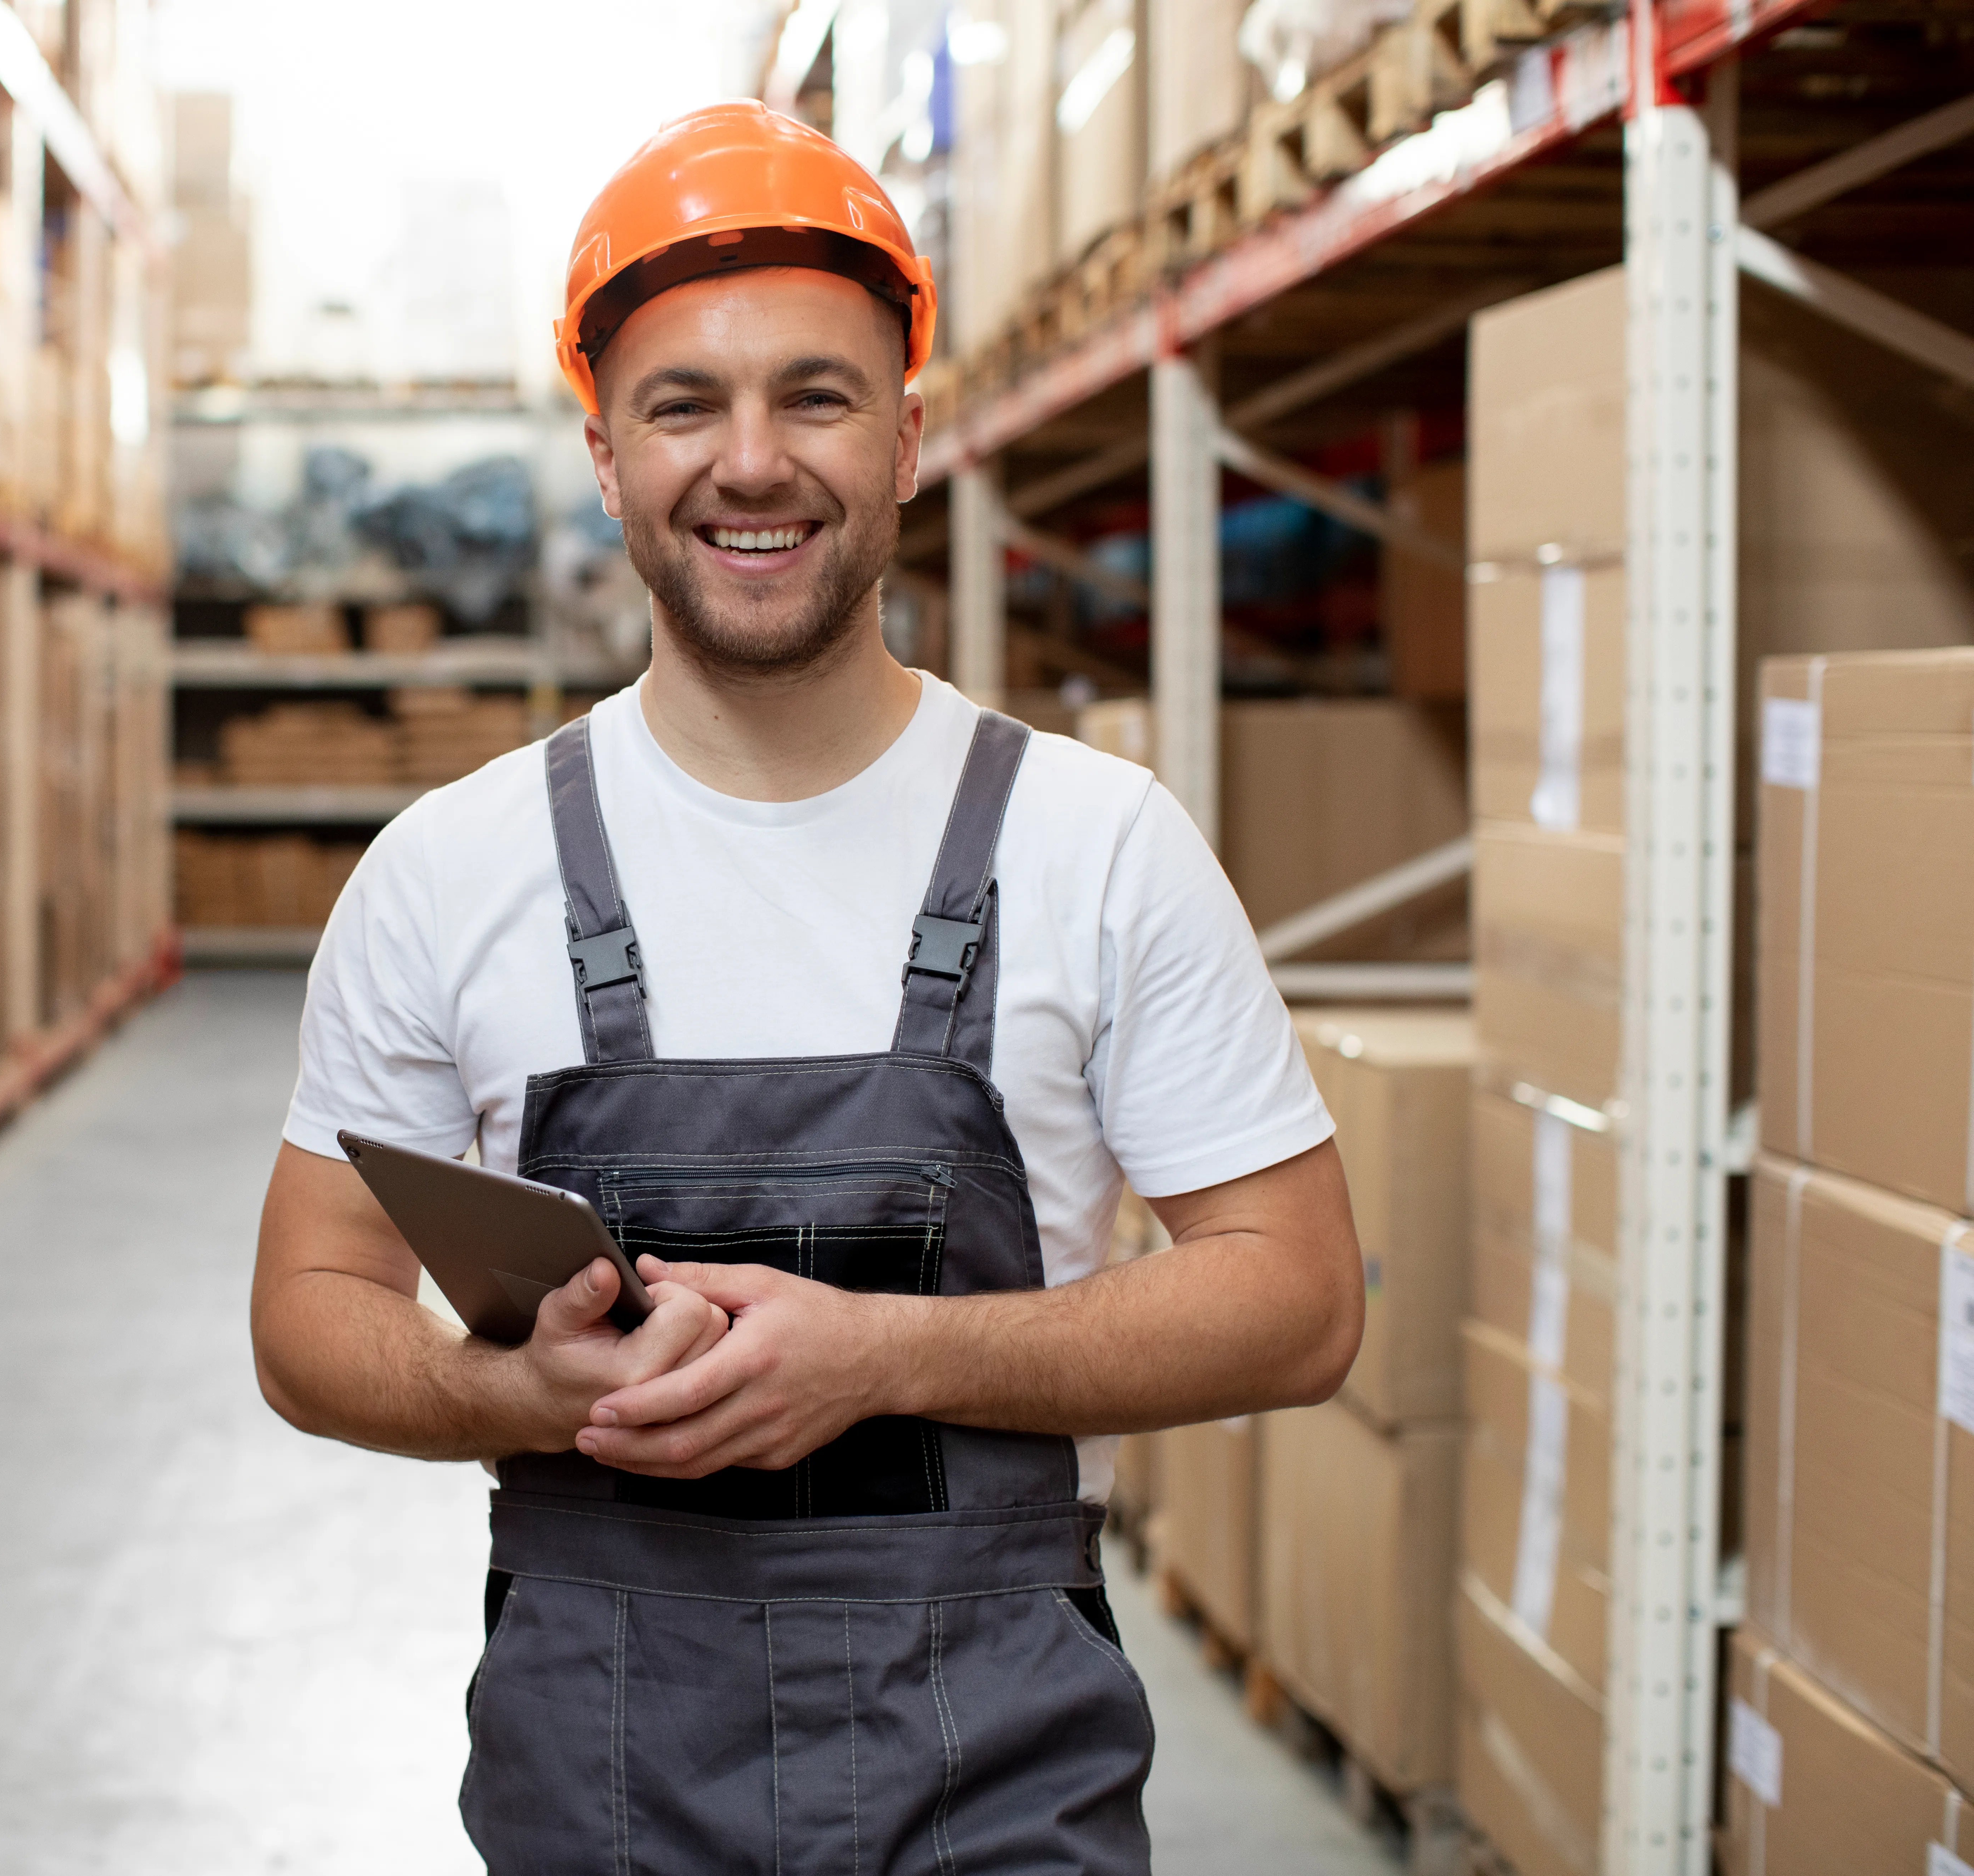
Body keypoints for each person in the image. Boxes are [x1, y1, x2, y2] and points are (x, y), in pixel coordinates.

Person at [248, 99, 1363, 1872]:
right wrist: (520, 1397)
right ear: (607, 456)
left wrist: (886, 1355)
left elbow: (1298, 1302)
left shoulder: (1095, 845)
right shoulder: (450, 872)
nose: (749, 461)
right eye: (684, 402)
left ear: (909, 434)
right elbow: (308, 1309)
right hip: (593, 1766)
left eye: (817, 396)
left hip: (996, 1765)